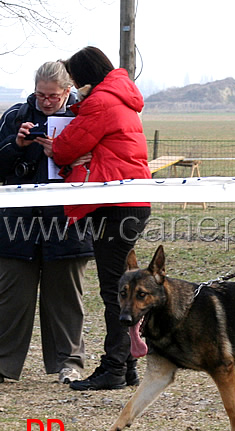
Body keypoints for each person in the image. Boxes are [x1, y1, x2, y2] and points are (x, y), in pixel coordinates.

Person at [39, 47, 151, 391]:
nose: (74, 86)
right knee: (121, 287)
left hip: (114, 205)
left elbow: (64, 148)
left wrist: (54, 148)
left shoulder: (102, 101)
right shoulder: (119, 96)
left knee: (115, 293)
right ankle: (126, 366)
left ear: (84, 76)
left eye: (74, 80)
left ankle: (114, 368)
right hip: (130, 201)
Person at [0, 61, 93, 384]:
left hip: (67, 224)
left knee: (66, 300)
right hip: (17, 226)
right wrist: (18, 145)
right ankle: (4, 365)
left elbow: (99, 163)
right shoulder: (15, 116)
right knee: (12, 298)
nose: (45, 101)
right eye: (40, 94)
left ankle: (69, 364)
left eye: (53, 96)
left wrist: (67, 152)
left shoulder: (84, 117)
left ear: (67, 91)